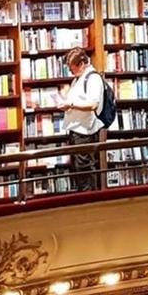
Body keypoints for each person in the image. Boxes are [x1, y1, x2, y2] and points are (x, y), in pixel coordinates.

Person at [53, 46, 105, 192]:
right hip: (77, 128)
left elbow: (93, 104)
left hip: (85, 130)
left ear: (81, 64)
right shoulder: (79, 78)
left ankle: (90, 199)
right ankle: (84, 196)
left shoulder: (93, 78)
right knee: (79, 167)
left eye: (71, 68)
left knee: (85, 167)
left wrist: (71, 104)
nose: (70, 71)